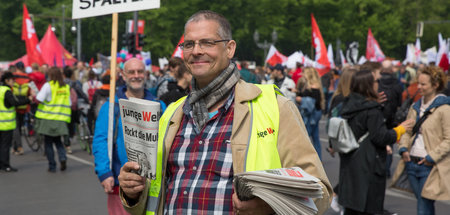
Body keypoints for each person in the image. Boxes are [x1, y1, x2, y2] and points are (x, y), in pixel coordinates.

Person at [118, 10, 332, 215]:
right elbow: (152, 198)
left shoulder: (275, 107)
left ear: (229, 48)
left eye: (207, 42)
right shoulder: (173, 114)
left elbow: (319, 191)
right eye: (189, 44)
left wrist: (270, 208)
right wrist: (132, 192)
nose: (196, 50)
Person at [92, 58, 166, 215]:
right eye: (131, 72)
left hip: (154, 184)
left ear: (146, 74)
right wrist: (104, 173)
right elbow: (101, 140)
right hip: (122, 182)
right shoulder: (111, 107)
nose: (136, 75)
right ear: (123, 75)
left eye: (140, 71)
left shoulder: (160, 106)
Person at [338, 70, 414, 214]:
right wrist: (400, 129)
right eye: (376, 81)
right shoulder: (372, 110)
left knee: (352, 207)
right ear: (368, 85)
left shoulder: (349, 103)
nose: (378, 84)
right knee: (370, 207)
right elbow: (380, 137)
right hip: (369, 164)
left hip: (351, 162)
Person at [391, 66, 450, 215]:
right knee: (422, 203)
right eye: (419, 83)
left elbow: (449, 139)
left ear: (435, 85)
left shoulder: (444, 109)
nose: (419, 87)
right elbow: (407, 130)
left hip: (429, 165)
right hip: (411, 161)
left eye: (423, 84)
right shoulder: (415, 107)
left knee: (423, 206)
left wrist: (431, 157)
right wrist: (403, 149)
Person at [35, 67, 71, 173]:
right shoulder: (65, 87)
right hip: (61, 118)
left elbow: (39, 99)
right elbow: (69, 103)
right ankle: (63, 158)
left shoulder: (48, 86)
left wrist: (33, 95)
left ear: (50, 75)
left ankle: (52, 166)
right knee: (58, 142)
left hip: (48, 118)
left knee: (48, 143)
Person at [0, 72, 33, 172]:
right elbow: (14, 102)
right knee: (5, 145)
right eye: (12, 80)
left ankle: (1, 164)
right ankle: (6, 165)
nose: (14, 81)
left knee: (1, 145)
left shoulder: (1, 89)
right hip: (6, 123)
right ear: (7, 81)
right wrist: (28, 100)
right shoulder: (6, 91)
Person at [296, 67, 325, 159]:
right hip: (316, 113)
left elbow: (313, 102)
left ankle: (304, 158)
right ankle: (318, 158)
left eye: (304, 73)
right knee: (315, 137)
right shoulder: (316, 85)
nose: (303, 75)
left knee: (306, 136)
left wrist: (301, 99)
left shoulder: (312, 87)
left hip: (311, 114)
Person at [12, 61, 32, 155]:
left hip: (13, 104)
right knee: (19, 126)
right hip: (24, 104)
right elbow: (32, 90)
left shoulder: (12, 77)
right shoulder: (28, 78)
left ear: (16, 67)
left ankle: (18, 147)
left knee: (15, 126)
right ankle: (15, 147)